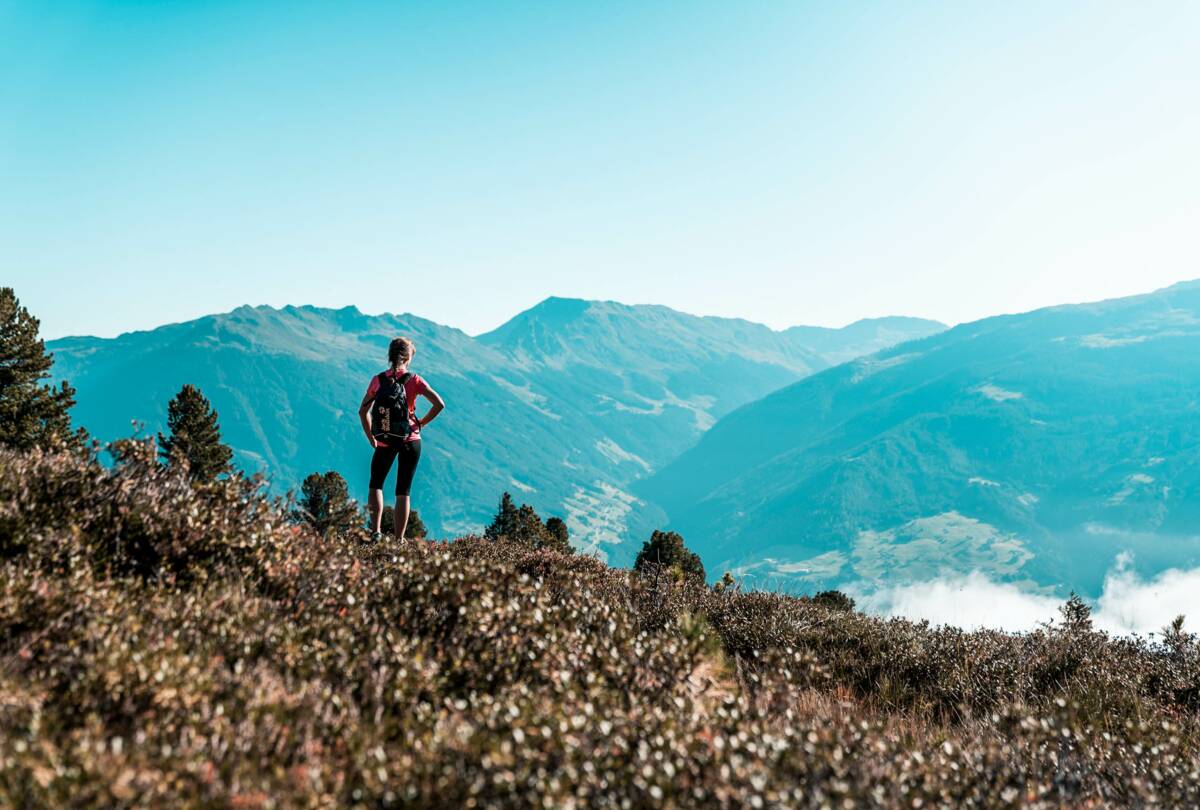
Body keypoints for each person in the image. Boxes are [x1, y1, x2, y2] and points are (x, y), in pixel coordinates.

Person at [359, 336, 444, 539]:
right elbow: (439, 404)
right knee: (403, 490)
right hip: (410, 438)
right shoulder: (415, 380)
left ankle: (375, 533)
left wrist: (372, 436)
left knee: (376, 484)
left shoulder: (378, 381)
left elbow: (363, 411)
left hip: (386, 438)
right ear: (408, 358)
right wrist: (420, 423)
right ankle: (399, 540)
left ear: (390, 356)